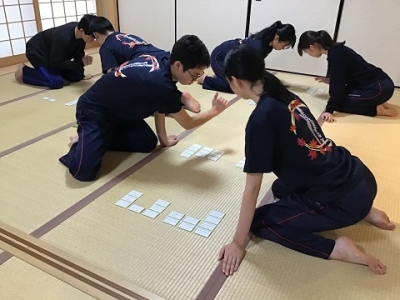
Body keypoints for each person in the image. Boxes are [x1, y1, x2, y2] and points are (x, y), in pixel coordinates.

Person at [218, 45, 395, 277]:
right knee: (280, 188)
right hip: (360, 175)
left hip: (344, 199)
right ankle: (366, 210)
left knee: (260, 222)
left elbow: (252, 188)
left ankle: (338, 249)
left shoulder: (260, 119)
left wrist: (237, 243)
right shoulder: (284, 94)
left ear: (236, 81)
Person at [59, 35, 228, 181]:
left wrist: (163, 139)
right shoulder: (161, 83)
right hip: (93, 111)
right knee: (83, 173)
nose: (195, 79)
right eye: (195, 75)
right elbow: (188, 123)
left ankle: (95, 140)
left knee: (146, 142)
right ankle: (81, 141)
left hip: (119, 113)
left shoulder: (162, 58)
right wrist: (214, 111)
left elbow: (159, 103)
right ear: (178, 65)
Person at [88, 16, 201, 113]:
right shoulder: (125, 35)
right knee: (166, 79)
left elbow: (112, 74)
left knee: (137, 99)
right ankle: (178, 98)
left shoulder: (106, 47)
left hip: (145, 62)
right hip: (159, 55)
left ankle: (178, 99)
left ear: (96, 35)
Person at [297, 30, 398, 121]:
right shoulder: (337, 50)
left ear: (312, 47)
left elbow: (337, 87)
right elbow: (346, 76)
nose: (308, 54)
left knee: (338, 103)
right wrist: (330, 80)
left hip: (377, 89)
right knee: (339, 97)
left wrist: (329, 110)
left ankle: (377, 109)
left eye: (306, 52)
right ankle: (377, 101)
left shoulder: (335, 55)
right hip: (380, 85)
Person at [197, 21, 296, 93]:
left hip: (233, 61)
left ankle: (222, 75)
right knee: (235, 88)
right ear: (277, 38)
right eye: (284, 45)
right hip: (219, 57)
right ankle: (205, 79)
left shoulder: (267, 45)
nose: (283, 48)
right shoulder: (259, 46)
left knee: (245, 84)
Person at [14, 15, 96, 89]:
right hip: (37, 52)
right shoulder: (63, 38)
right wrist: (80, 63)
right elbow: (55, 62)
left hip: (54, 55)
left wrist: (81, 74)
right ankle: (24, 71)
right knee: (56, 82)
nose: (93, 39)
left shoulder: (81, 35)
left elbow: (79, 54)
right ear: (82, 31)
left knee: (77, 76)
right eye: (92, 36)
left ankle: (53, 73)